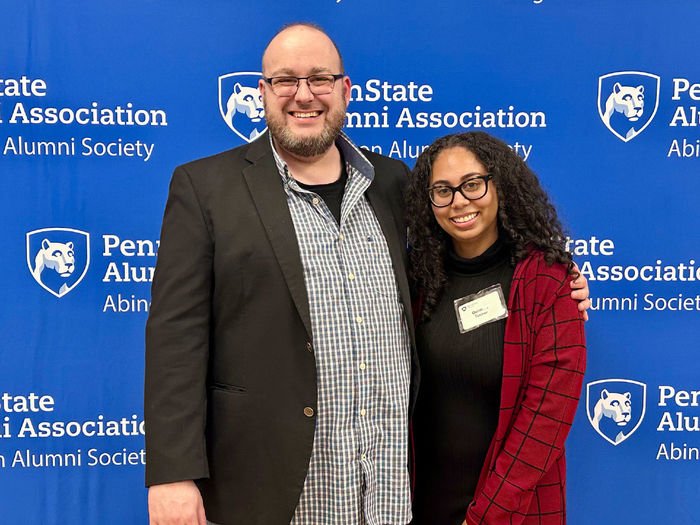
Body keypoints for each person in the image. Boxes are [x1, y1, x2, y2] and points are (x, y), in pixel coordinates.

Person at [145, 23, 590, 525]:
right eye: (286, 80)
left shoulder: (393, 183)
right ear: (263, 93)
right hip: (272, 488)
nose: (304, 95)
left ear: (345, 90)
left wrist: (559, 277)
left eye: (319, 78)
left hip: (389, 492)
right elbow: (174, 339)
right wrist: (172, 474)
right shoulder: (205, 188)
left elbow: (471, 251)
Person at [406, 131, 586, 525]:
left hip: (509, 512)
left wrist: (488, 515)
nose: (459, 202)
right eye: (442, 190)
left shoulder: (547, 280)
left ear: (500, 184)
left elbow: (547, 417)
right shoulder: (415, 281)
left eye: (473, 184)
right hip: (418, 507)